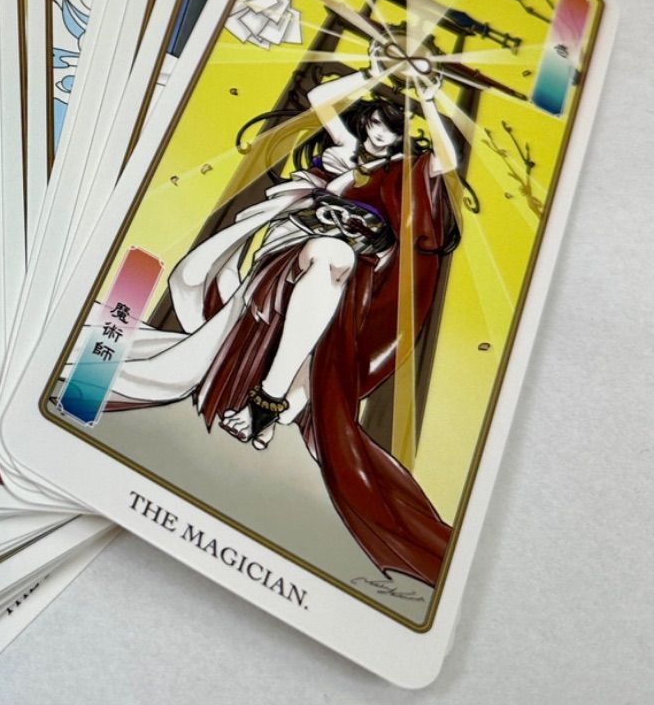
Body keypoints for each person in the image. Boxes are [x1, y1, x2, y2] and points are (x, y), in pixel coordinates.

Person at [86, 50, 463, 585]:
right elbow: (320, 98)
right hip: (297, 249)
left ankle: (274, 404)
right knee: (316, 255)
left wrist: (427, 96)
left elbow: (446, 158)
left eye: (391, 130)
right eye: (377, 124)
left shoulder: (406, 172)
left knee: (337, 271)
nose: (380, 136)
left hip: (358, 277)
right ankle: (266, 402)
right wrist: (377, 71)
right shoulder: (347, 148)